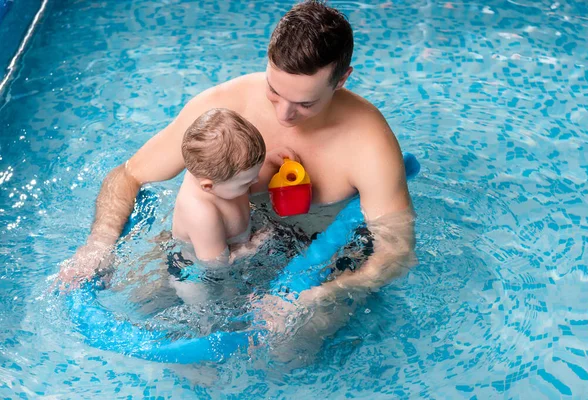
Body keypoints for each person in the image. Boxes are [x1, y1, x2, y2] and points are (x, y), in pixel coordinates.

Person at [59, 1, 415, 314]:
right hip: (219, 239)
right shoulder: (225, 110)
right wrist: (98, 247)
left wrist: (317, 297)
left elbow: (394, 253)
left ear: (340, 81)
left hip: (320, 256)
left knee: (288, 349)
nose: (284, 115)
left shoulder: (368, 142)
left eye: (305, 103)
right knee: (143, 303)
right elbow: (128, 175)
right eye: (274, 92)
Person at [172, 108, 265, 262]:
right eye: (247, 182)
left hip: (239, 240)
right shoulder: (201, 214)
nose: (256, 180)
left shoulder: (216, 172)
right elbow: (216, 266)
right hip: (190, 269)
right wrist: (255, 245)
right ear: (208, 186)